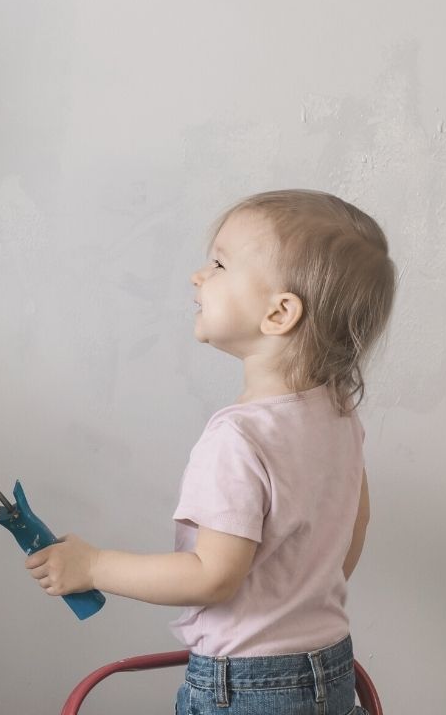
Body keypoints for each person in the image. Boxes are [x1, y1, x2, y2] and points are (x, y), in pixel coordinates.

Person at [25, 190, 396, 714]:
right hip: (331, 667)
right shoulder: (336, 415)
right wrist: (296, 606)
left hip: (249, 686)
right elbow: (352, 528)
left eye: (219, 263)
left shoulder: (237, 438)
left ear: (279, 313)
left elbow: (212, 575)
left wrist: (94, 566)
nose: (198, 276)